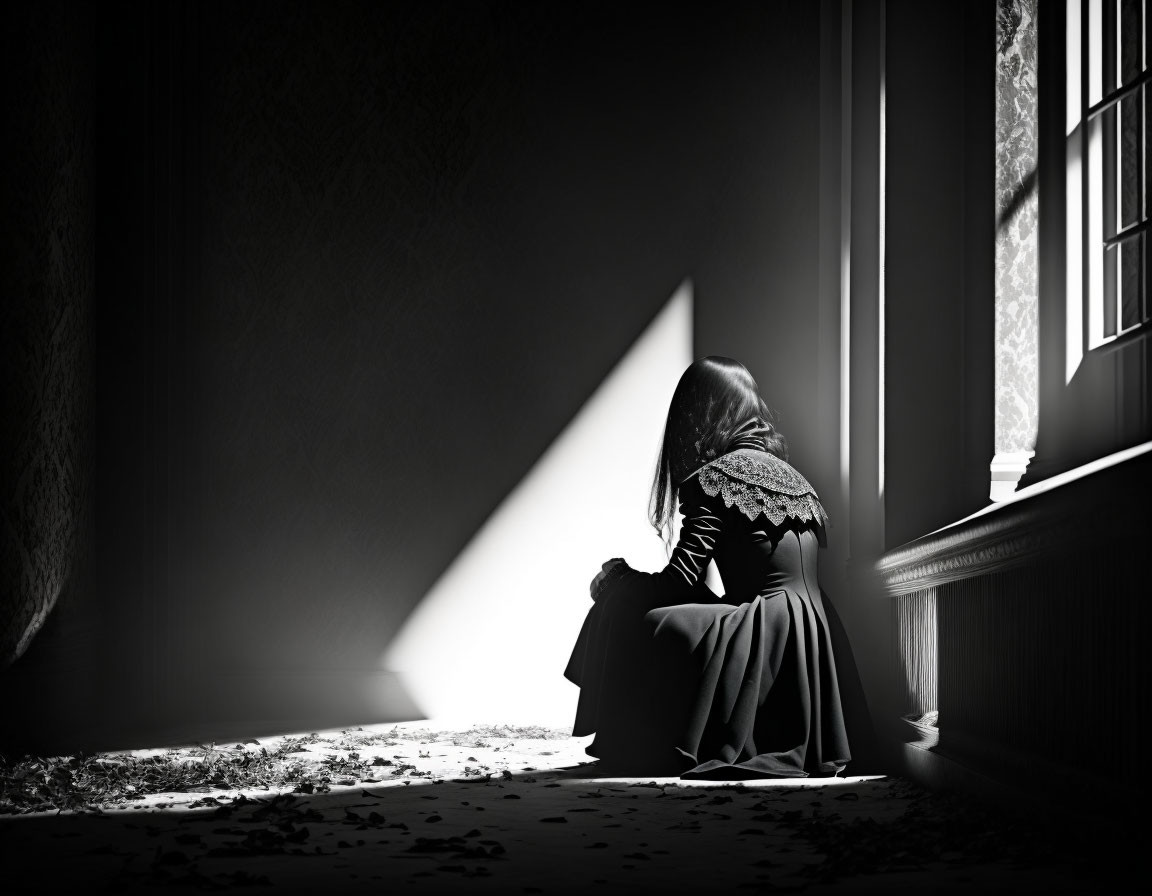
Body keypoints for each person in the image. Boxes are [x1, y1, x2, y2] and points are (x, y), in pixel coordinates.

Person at [564, 356, 871, 779]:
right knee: (655, 607)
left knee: (647, 617)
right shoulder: (796, 479)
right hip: (817, 632)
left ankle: (639, 743)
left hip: (763, 625)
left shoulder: (714, 479)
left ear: (700, 414)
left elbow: (681, 579)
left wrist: (619, 579)